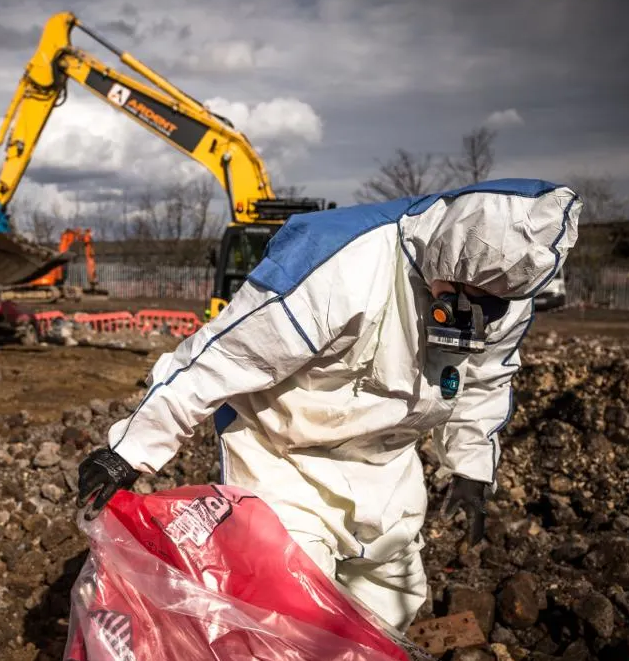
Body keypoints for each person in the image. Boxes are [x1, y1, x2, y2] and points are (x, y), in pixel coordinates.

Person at [75, 178, 581, 633]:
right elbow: (224, 355)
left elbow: (483, 382)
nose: (475, 313)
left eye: (493, 304)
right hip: (285, 458)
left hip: (386, 466)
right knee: (289, 613)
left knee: (390, 607)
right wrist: (131, 449)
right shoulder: (344, 261)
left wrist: (470, 467)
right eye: (467, 294)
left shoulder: (506, 294)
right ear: (447, 259)